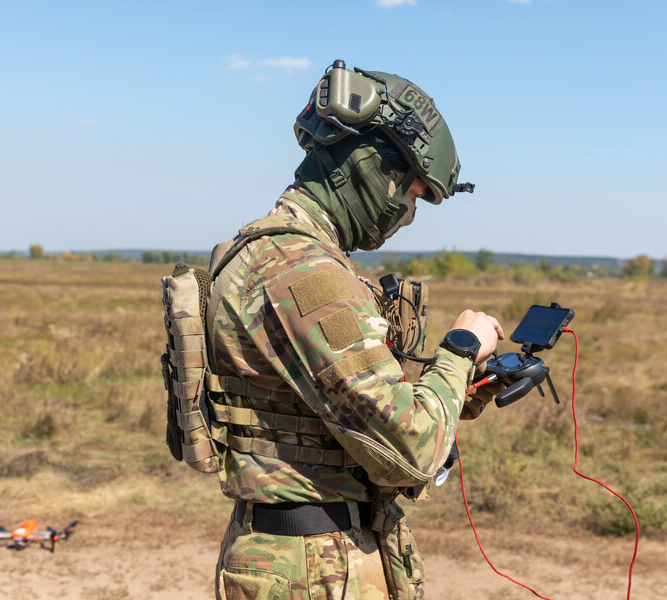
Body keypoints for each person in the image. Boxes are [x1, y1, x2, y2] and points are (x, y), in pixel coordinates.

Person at [204, 60, 504, 599]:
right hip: (315, 569)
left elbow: (331, 417)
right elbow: (409, 449)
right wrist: (459, 352)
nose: (406, 215)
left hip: (301, 556)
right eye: (410, 195)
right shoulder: (303, 271)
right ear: (366, 163)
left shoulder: (265, 253)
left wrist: (467, 390)